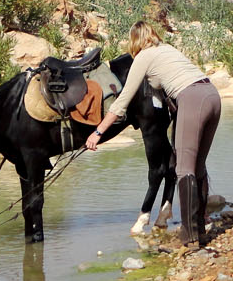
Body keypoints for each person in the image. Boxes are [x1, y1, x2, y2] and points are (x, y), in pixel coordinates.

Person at [88, 21, 221, 247]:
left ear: (135, 40)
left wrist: (98, 132)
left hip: (191, 98)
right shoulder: (168, 50)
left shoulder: (143, 57)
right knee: (197, 166)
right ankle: (200, 225)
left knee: (183, 169)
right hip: (212, 96)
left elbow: (123, 100)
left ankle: (190, 237)